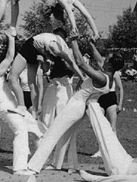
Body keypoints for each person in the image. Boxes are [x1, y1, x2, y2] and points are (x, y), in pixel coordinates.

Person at [25, 37, 113, 174]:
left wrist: (74, 41)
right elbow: (96, 60)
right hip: (78, 106)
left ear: (111, 66)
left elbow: (81, 63)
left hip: (75, 107)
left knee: (52, 133)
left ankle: (33, 166)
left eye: (107, 60)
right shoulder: (107, 76)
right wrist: (90, 43)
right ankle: (60, 164)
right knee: (65, 136)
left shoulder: (102, 78)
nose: (104, 60)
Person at [0, 27, 45, 175]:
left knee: (37, 131)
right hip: (4, 107)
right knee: (20, 130)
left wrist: (10, 38)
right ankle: (19, 168)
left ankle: (38, 162)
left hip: (16, 105)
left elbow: (9, 57)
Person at [7, 28, 85, 117]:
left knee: (12, 77)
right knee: (31, 83)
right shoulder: (61, 50)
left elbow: (71, 64)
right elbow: (72, 63)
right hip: (36, 47)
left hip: (31, 47)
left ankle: (22, 108)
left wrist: (81, 77)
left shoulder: (59, 49)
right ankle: (34, 112)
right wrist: (81, 77)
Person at [91, 53, 125, 158]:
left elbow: (121, 88)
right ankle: (101, 150)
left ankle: (115, 150)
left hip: (111, 98)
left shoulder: (114, 73)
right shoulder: (102, 71)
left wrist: (120, 103)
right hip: (101, 97)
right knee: (100, 126)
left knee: (112, 126)